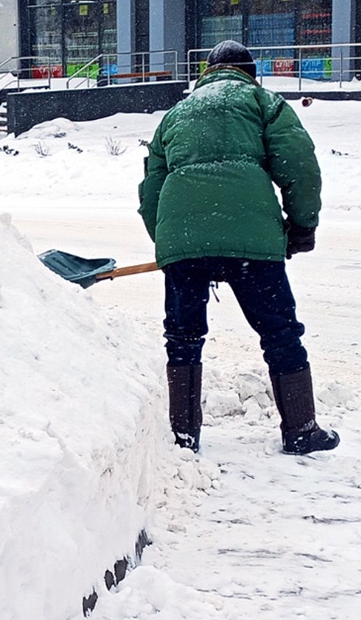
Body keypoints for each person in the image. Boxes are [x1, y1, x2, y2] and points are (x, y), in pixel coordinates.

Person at [136, 40, 336, 456]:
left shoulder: (176, 114)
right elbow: (299, 167)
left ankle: (183, 437)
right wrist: (302, 227)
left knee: (183, 337)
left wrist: (171, 244)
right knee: (280, 333)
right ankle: (301, 429)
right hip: (253, 242)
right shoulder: (264, 102)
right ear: (250, 72)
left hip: (185, 242)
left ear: (206, 72)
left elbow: (152, 188)